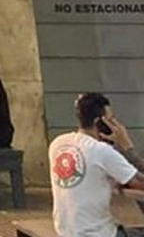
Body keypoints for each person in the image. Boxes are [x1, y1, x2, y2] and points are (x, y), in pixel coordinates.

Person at [49, 93, 144, 237]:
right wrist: (127, 147)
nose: (114, 124)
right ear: (98, 122)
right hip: (98, 233)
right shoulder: (101, 151)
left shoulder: (58, 144)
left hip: (66, 231)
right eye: (110, 120)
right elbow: (140, 182)